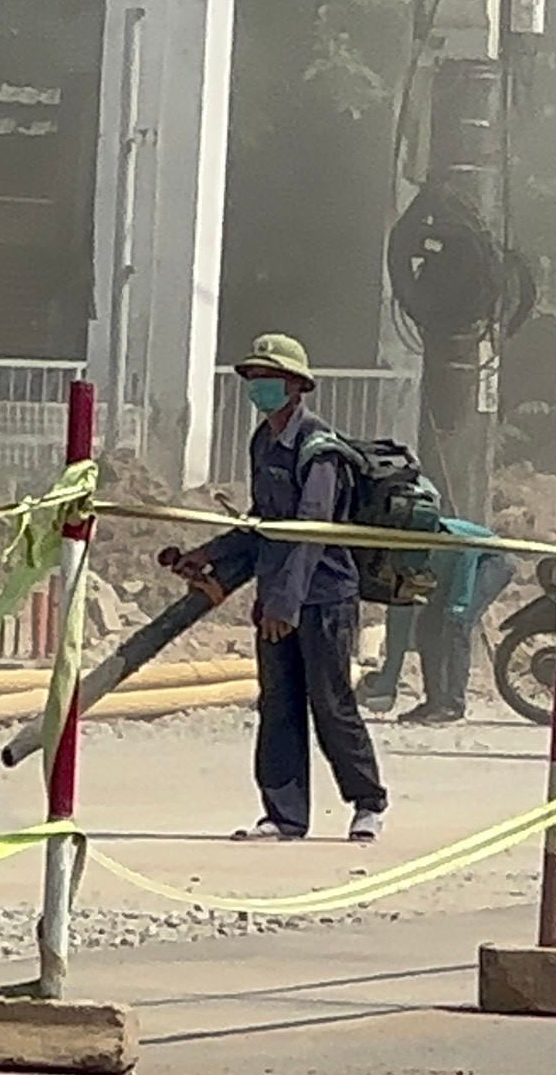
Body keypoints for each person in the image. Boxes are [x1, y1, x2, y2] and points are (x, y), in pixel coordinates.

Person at [174, 333, 390, 842]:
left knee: (331, 703)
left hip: (322, 597)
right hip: (277, 594)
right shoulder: (262, 442)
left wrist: (286, 603)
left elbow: (308, 532)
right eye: (253, 378)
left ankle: (367, 802)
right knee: (278, 704)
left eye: (269, 378)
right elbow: (265, 524)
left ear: (295, 386)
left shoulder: (319, 452)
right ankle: (284, 814)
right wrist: (210, 554)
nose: (259, 387)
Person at [361, 510, 515, 725]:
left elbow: (466, 551)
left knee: (456, 625)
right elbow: (399, 619)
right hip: (453, 566)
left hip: (487, 560)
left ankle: (452, 706)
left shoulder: (426, 538)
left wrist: (459, 604)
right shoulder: (397, 557)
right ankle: (434, 702)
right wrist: (388, 682)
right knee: (426, 628)